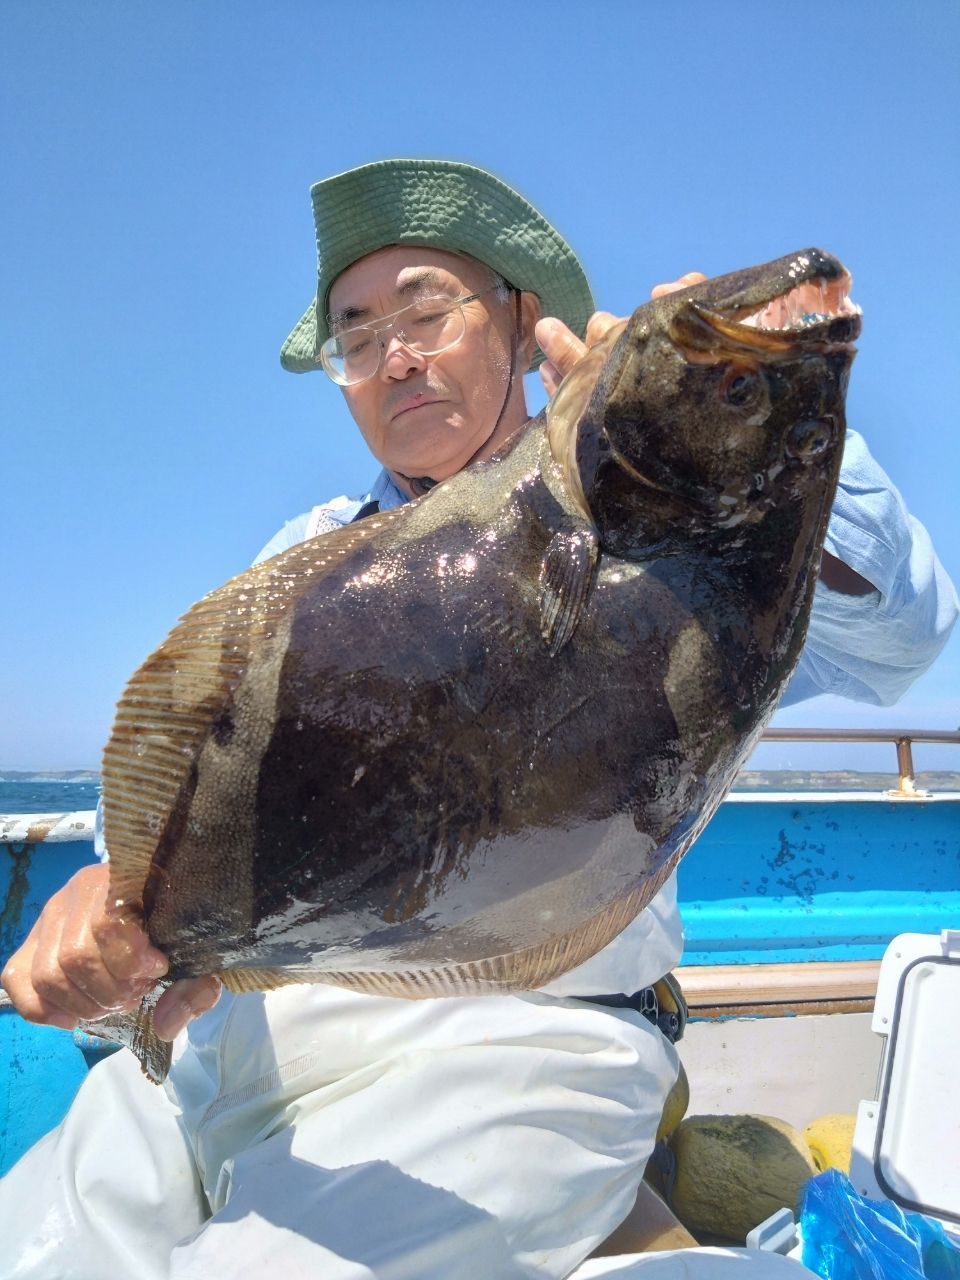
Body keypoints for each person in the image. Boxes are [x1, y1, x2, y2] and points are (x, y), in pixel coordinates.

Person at [1, 159, 956, 1280]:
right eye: (358, 336)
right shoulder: (308, 557)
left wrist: (726, 398)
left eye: (425, 309)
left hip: (523, 1046)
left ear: (519, 321)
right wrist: (104, 902)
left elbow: (900, 632)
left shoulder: (698, 554)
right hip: (238, 1046)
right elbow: (211, 778)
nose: (394, 354)